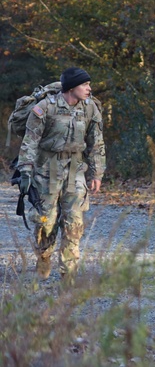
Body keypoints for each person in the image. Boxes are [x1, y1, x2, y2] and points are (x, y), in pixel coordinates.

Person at [16, 67, 105, 279]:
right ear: (72, 87)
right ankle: (44, 254)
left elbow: (96, 143)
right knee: (45, 220)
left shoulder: (90, 107)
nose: (89, 88)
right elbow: (30, 141)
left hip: (75, 169)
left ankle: (68, 274)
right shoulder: (45, 108)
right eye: (85, 85)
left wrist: (97, 173)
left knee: (74, 221)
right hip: (47, 169)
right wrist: (26, 170)